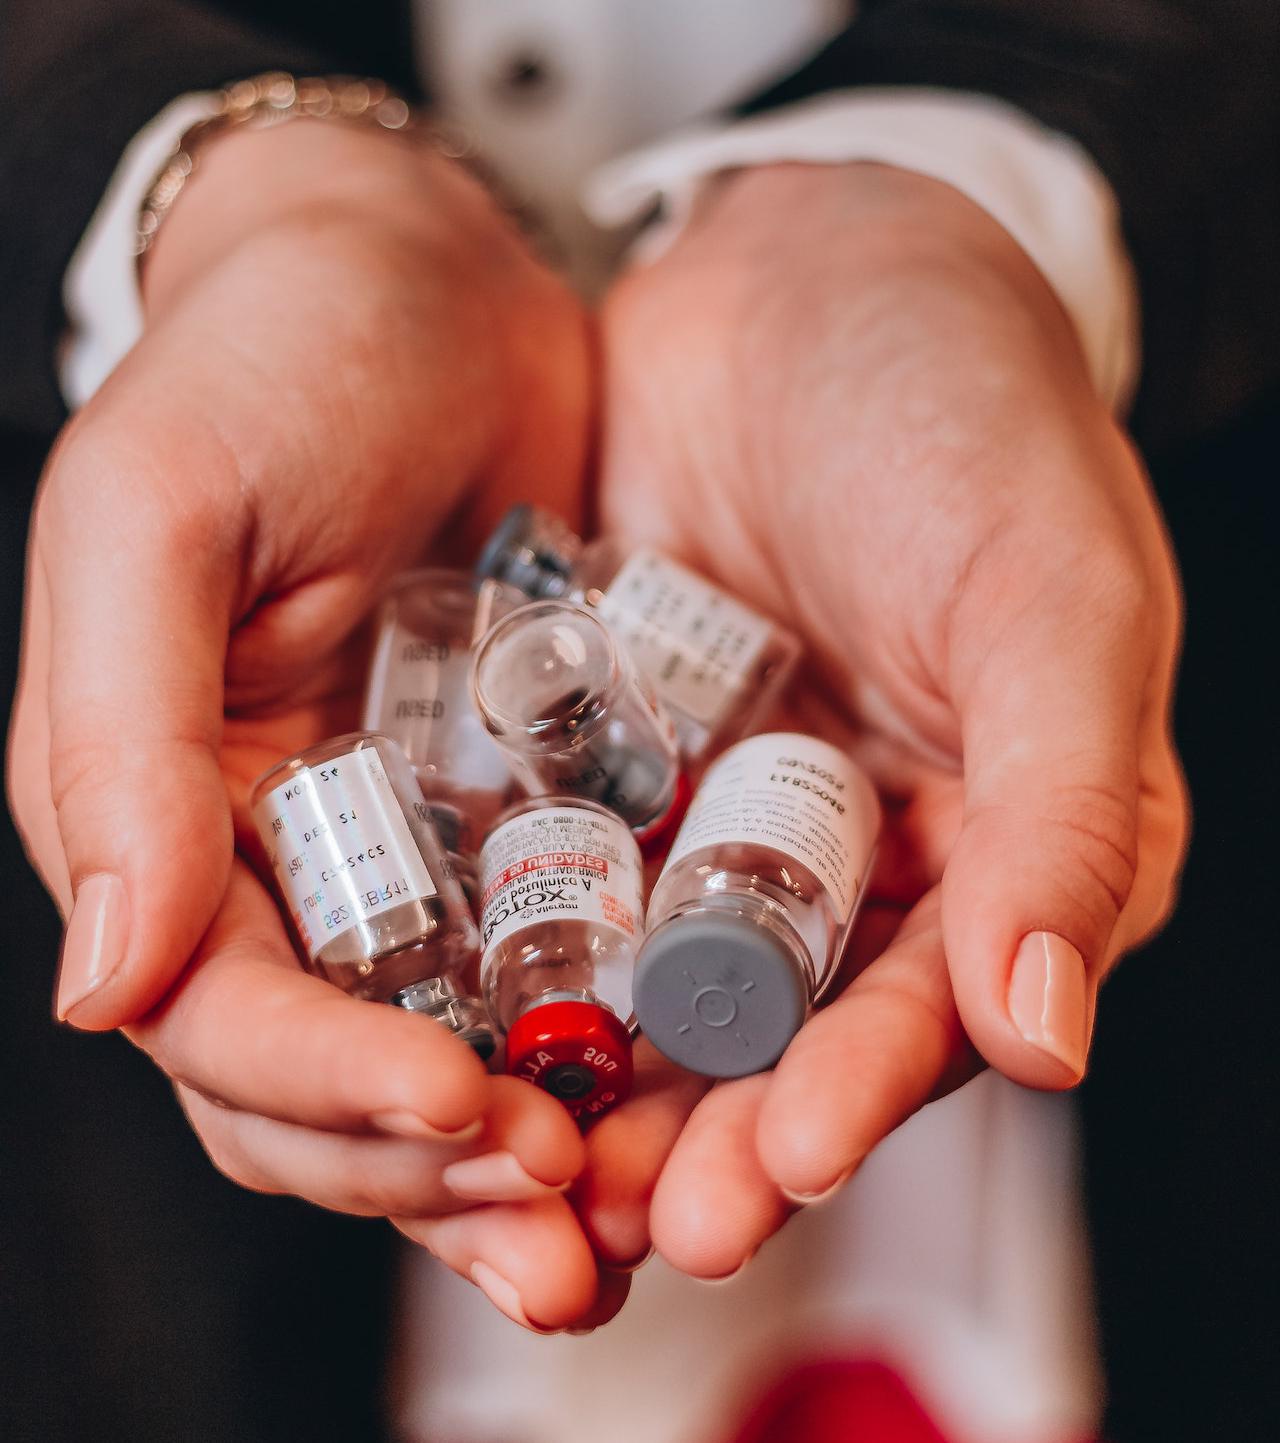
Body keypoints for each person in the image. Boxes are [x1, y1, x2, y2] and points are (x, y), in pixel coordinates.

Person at [1, 3, 1275, 1440]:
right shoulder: (485, 844)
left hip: (1088, 723)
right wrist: (261, 216)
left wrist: (921, 216)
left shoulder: (581, 810)